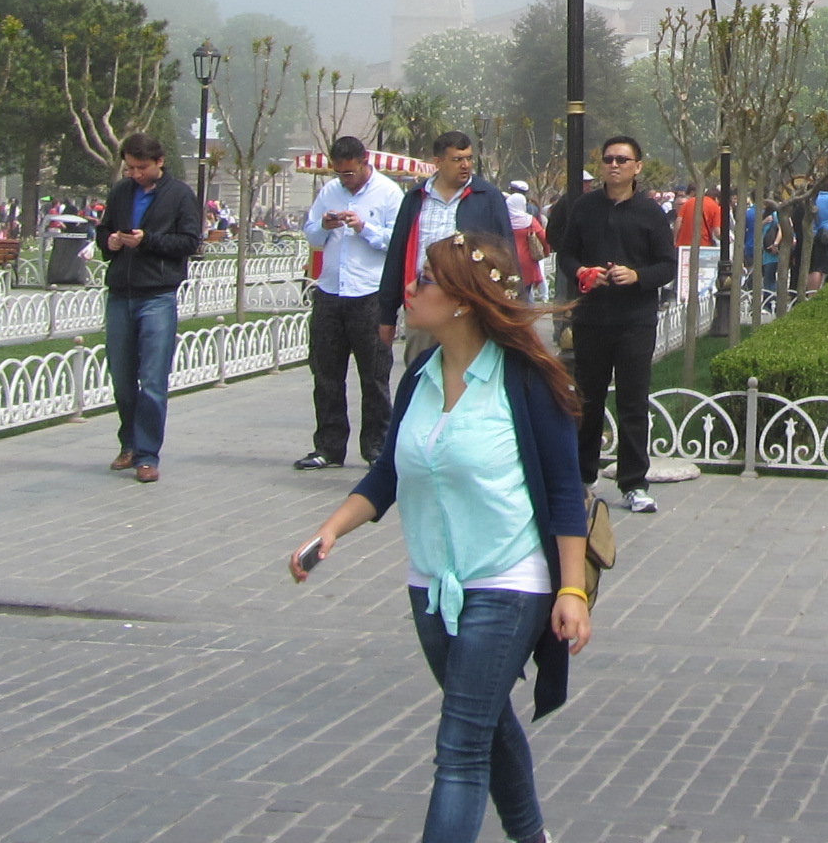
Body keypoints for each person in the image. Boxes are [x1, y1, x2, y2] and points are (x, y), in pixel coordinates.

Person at [286, 231, 592, 843]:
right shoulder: (421, 375)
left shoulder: (528, 380)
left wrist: (572, 591)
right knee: (485, 723)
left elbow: (565, 493)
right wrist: (330, 531)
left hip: (509, 582)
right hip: (431, 585)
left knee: (460, 745)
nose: (409, 288)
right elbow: (388, 475)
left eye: (424, 280)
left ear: (462, 302)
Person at [544, 134, 676, 512]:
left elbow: (667, 265)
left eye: (622, 160)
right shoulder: (584, 207)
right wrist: (582, 272)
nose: (614, 165)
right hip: (592, 318)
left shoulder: (650, 212)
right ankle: (583, 477)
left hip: (635, 320)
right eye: (608, 159)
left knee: (633, 402)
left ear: (637, 167)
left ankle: (633, 483)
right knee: (587, 400)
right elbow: (566, 254)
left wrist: (637, 276)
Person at [96, 133, 204, 482]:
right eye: (130, 168)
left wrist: (148, 241)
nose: (135, 174)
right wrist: (111, 241)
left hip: (157, 294)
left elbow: (189, 242)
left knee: (153, 380)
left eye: (141, 167)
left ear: (159, 162)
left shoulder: (180, 195)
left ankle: (147, 454)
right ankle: (128, 442)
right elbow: (103, 231)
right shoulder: (121, 192)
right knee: (122, 377)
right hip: (120, 293)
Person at [299, 135, 404, 470]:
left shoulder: (388, 193)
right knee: (326, 373)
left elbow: (398, 240)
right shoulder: (330, 191)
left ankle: (376, 447)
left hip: (369, 293)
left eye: (350, 172)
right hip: (331, 291)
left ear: (364, 162)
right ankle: (328, 447)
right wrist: (324, 225)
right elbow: (311, 235)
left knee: (374, 375)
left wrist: (364, 227)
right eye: (339, 172)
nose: (345, 179)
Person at [378, 133, 517, 353]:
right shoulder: (416, 198)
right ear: (438, 162)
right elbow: (397, 255)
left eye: (469, 158)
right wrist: (387, 315)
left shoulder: (487, 197)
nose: (465, 165)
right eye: (457, 159)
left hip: (470, 307)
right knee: (420, 366)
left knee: (468, 368)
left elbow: (506, 252)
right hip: (425, 304)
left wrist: (511, 307)